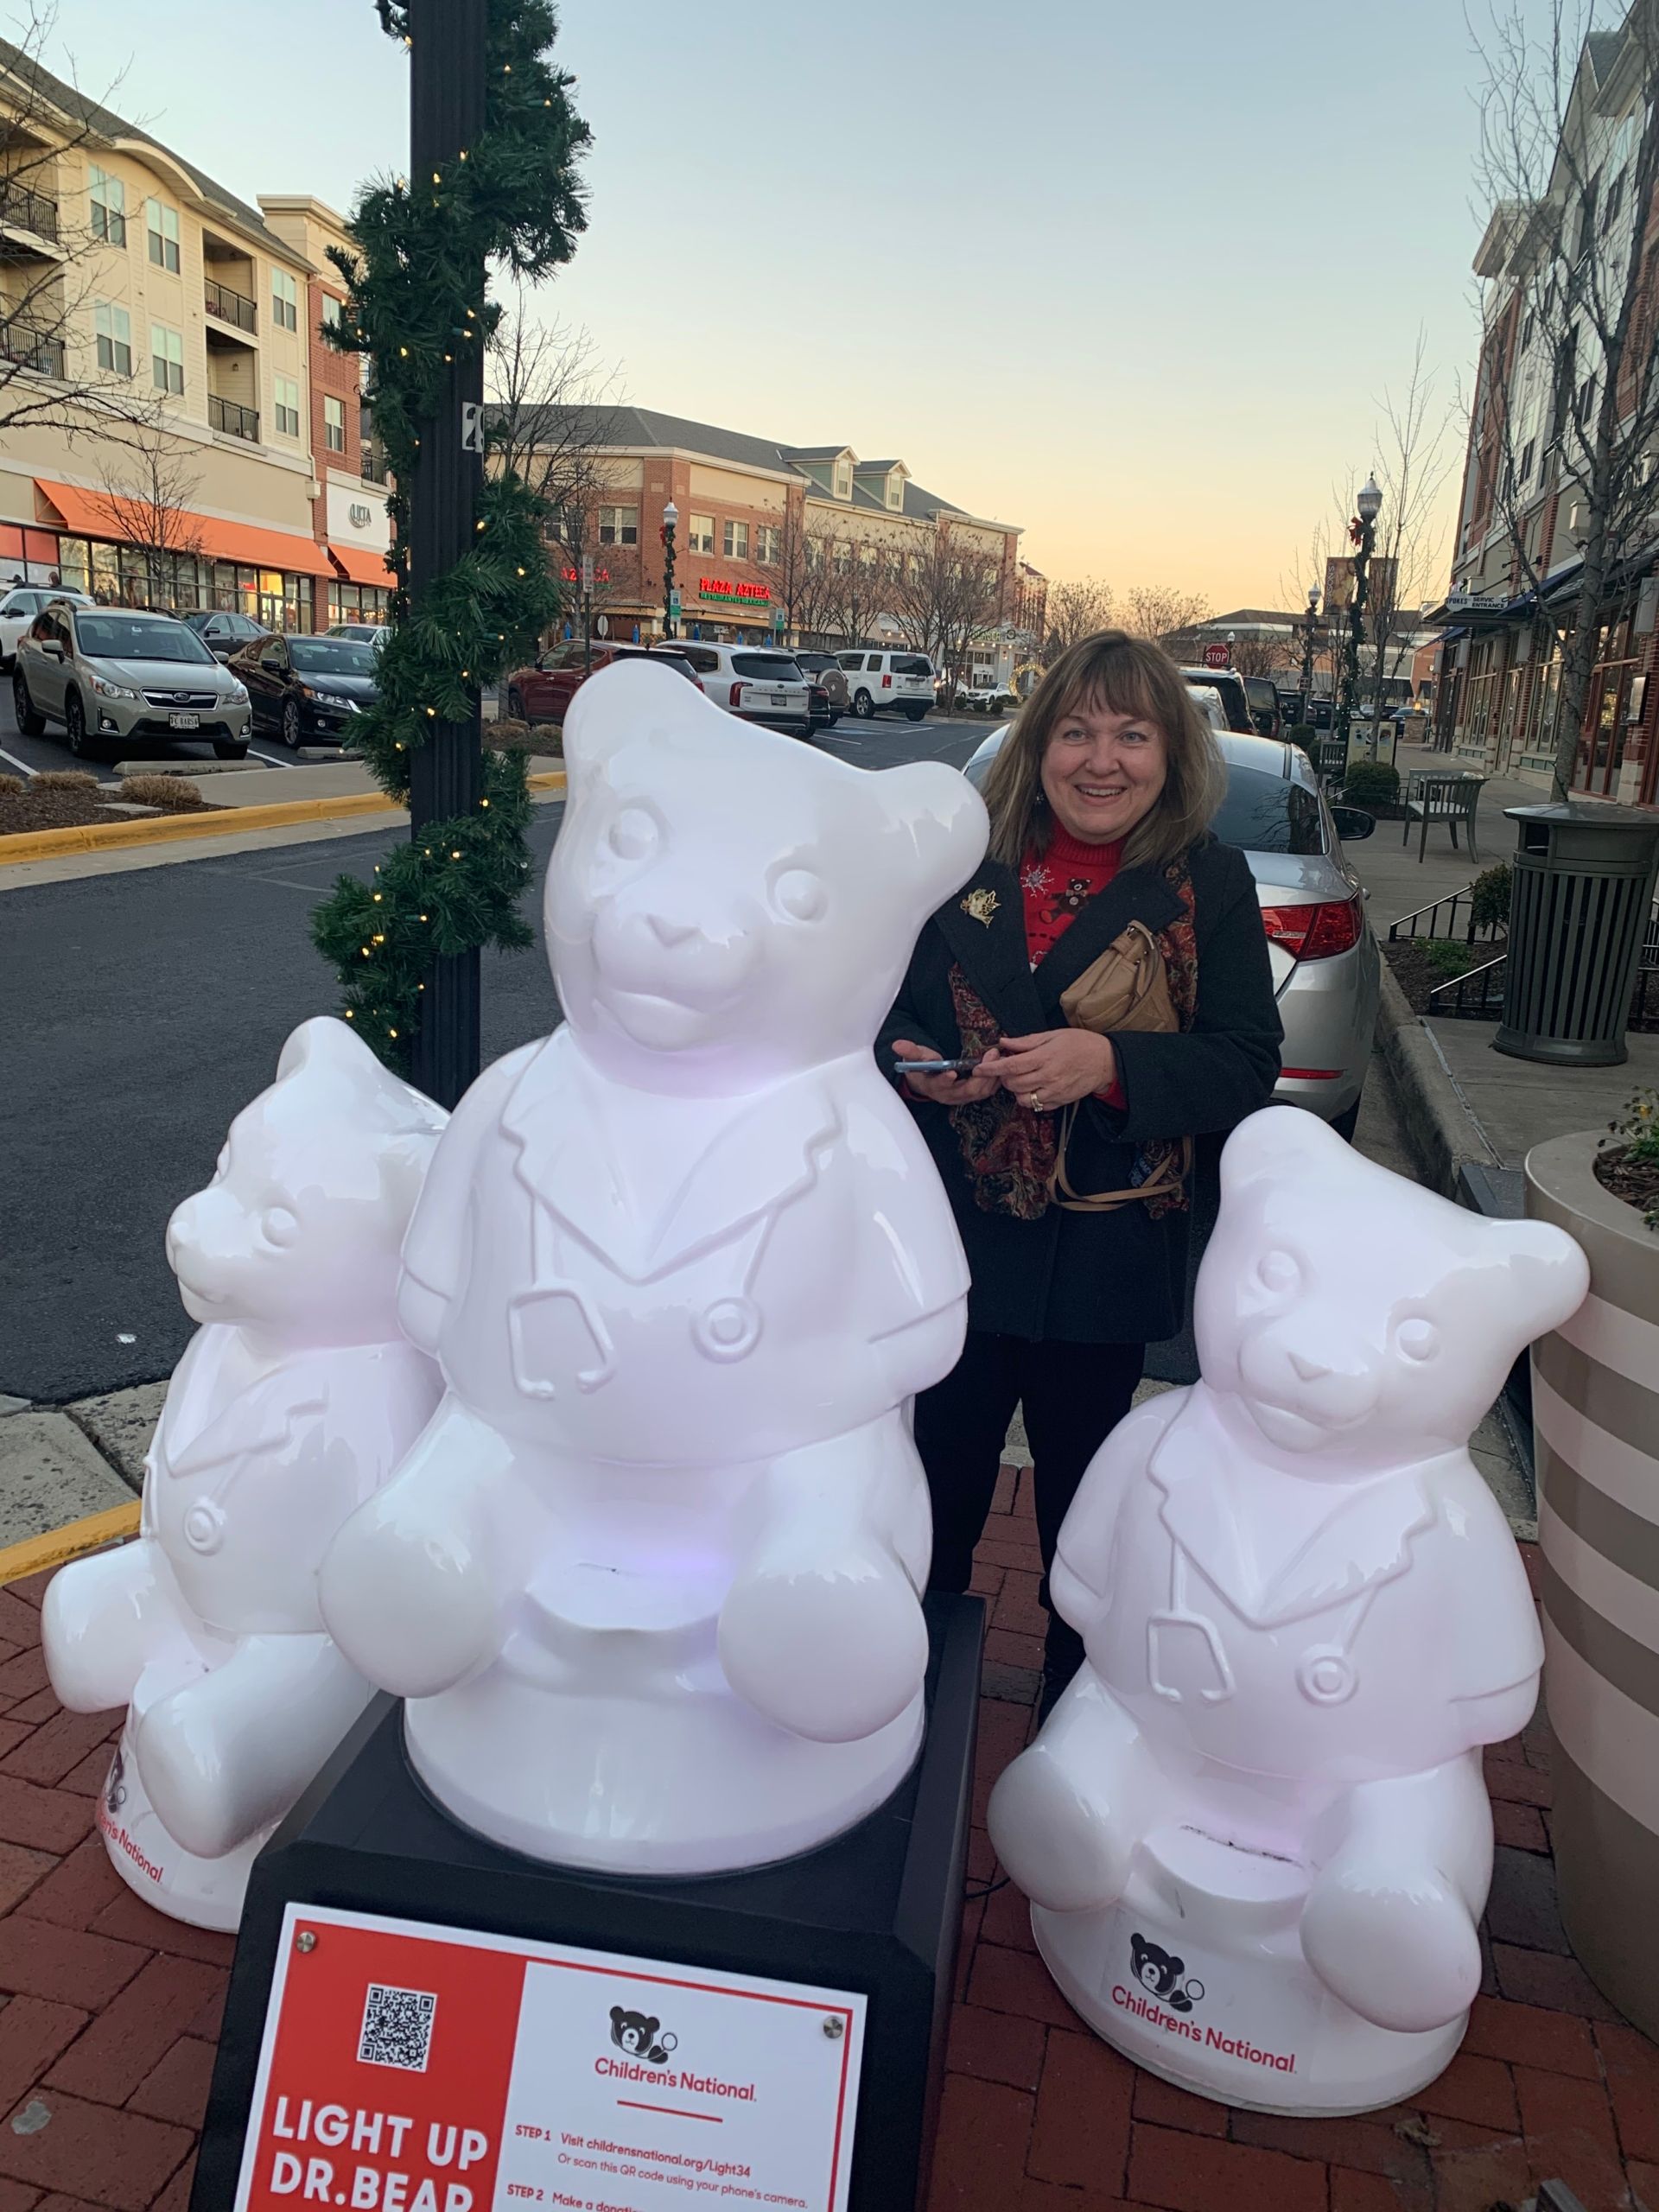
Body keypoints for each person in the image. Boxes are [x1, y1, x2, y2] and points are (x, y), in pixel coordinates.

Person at [880, 629, 1283, 1713]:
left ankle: (1073, 1731)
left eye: (1132, 734)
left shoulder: (1208, 882)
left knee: (1087, 1529)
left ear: (1170, 752)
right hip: (956, 1249)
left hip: (1101, 1260)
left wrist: (1110, 1061)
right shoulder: (968, 869)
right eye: (1077, 731)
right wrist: (914, 1065)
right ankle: (901, 1714)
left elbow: (1247, 1063)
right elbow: (885, 1017)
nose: (1101, 760)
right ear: (1039, 743)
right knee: (929, 1503)